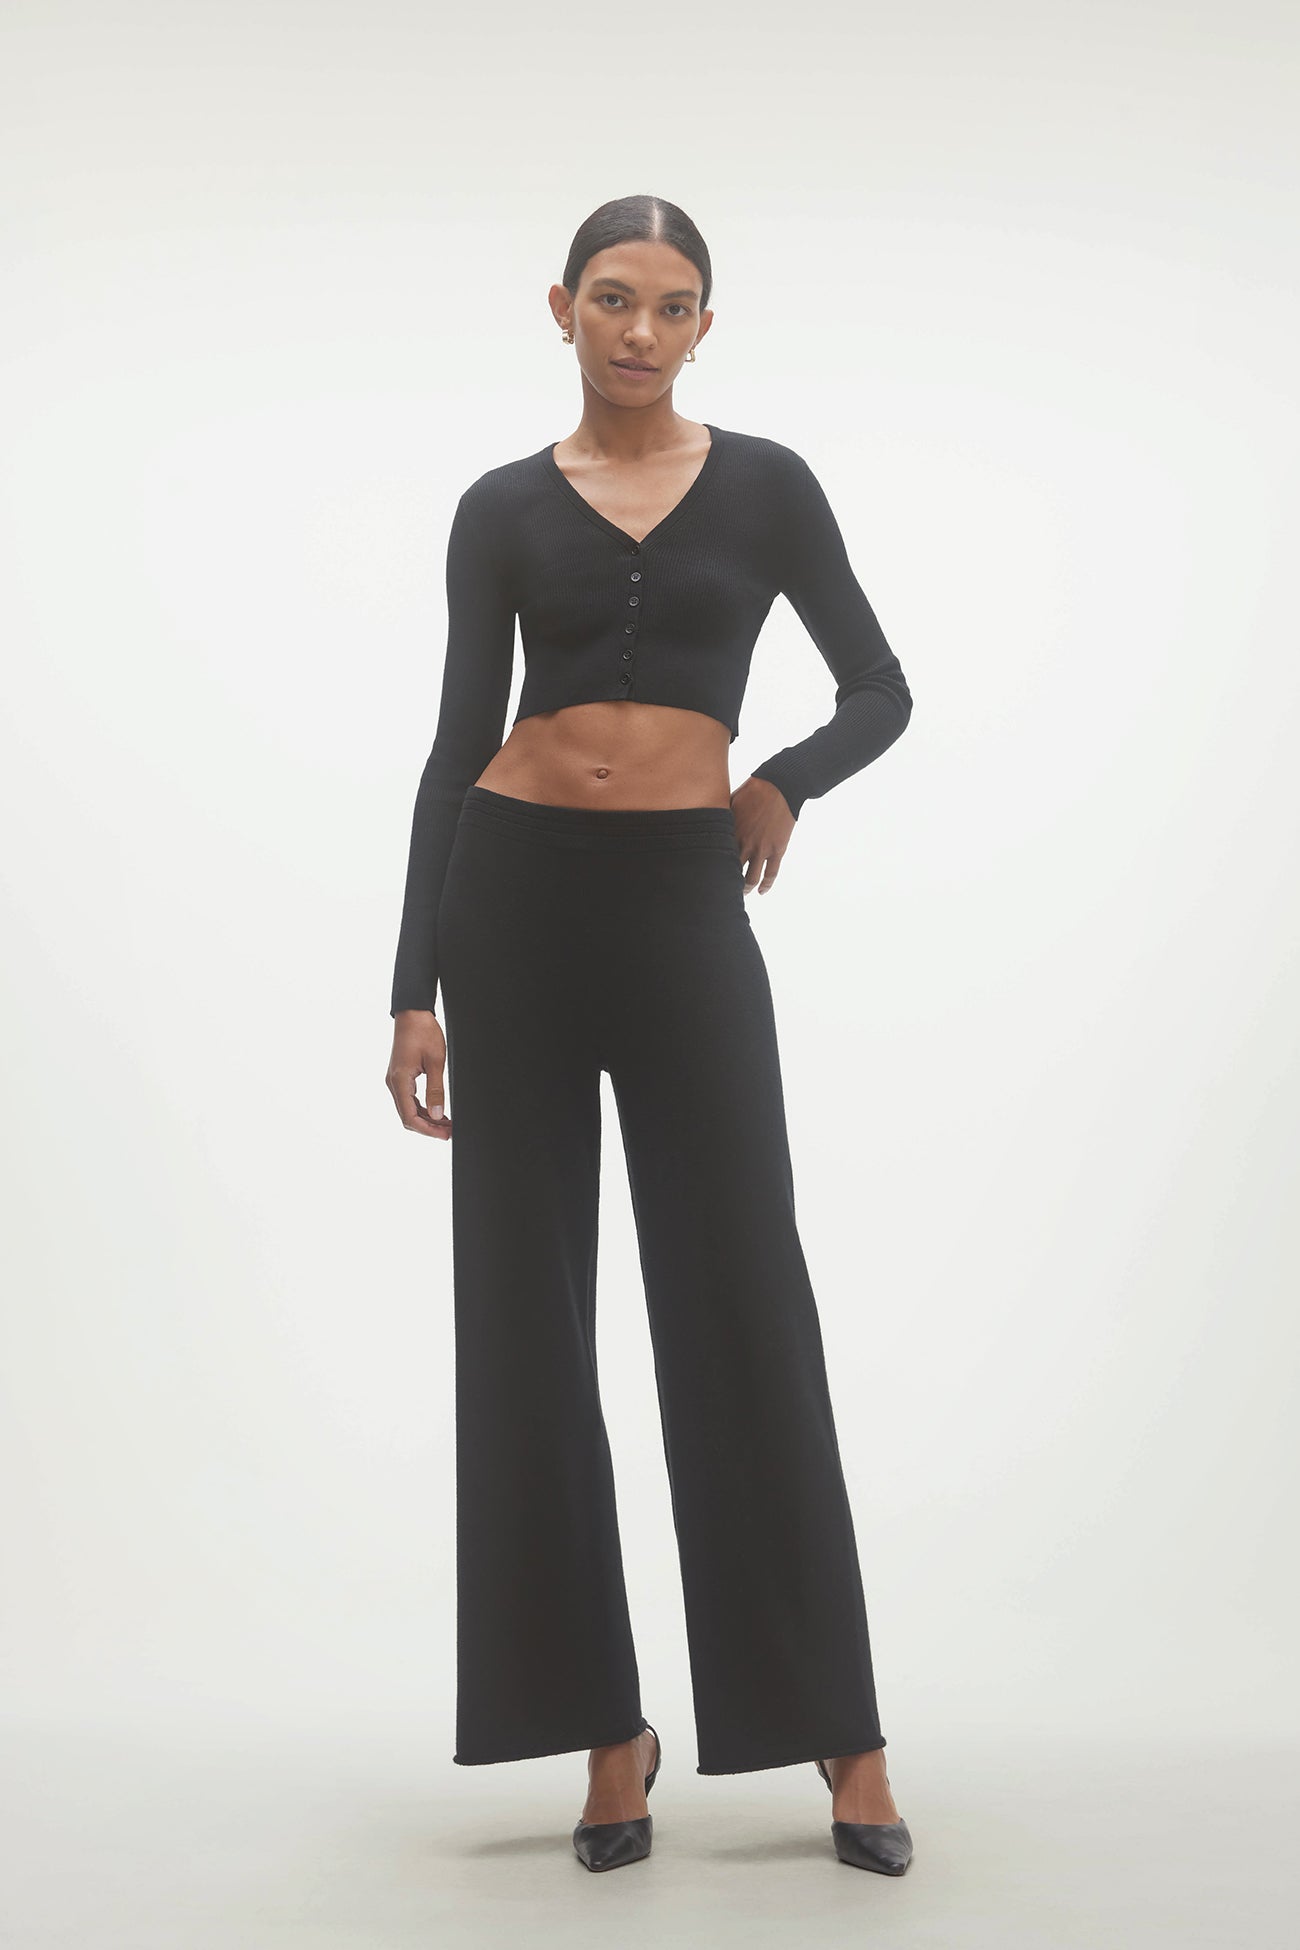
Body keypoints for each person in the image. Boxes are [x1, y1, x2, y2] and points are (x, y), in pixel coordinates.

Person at [384, 194, 915, 1878]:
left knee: (740, 1292)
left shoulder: (768, 487)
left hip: (685, 907)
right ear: (561, 307)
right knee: (527, 1318)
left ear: (704, 325)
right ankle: (604, 1730)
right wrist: (413, 983)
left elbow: (881, 687)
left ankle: (841, 1731)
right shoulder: (497, 507)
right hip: (514, 906)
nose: (639, 329)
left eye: (671, 305)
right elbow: (457, 740)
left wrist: (781, 782)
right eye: (612, 297)